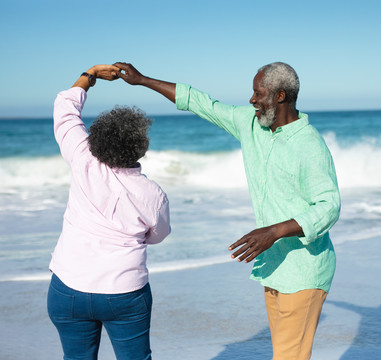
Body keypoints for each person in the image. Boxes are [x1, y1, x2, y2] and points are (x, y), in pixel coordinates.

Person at [114, 61, 340, 359]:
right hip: (274, 265)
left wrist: (274, 231)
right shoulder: (250, 123)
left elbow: (329, 205)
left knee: (289, 356)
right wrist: (142, 80)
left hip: (304, 270)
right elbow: (201, 103)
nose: (252, 100)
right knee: (285, 353)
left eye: (258, 93)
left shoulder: (310, 145)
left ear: (280, 97)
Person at [48, 64, 171, 360]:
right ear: (141, 146)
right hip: (125, 293)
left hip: (68, 288)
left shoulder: (82, 159)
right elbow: (158, 236)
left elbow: (64, 108)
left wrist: (90, 75)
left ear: (96, 139)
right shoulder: (153, 195)